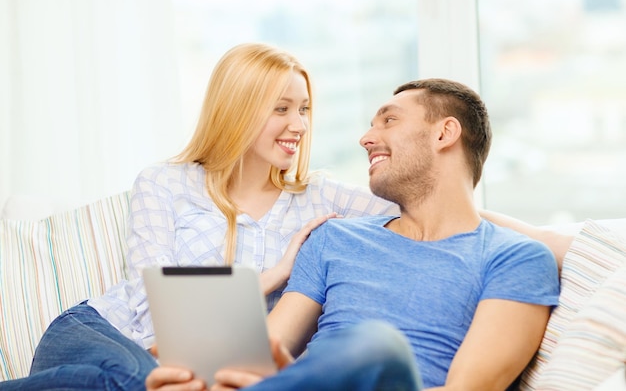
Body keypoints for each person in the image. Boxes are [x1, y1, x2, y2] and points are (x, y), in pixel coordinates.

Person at [0, 43, 397, 390]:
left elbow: (416, 210)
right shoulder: (165, 183)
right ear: (238, 111)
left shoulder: (321, 197)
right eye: (282, 109)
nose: (300, 125)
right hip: (100, 333)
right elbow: (151, 311)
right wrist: (270, 279)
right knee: (153, 384)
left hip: (193, 374)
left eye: (304, 109)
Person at [146, 78, 561, 391]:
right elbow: (266, 350)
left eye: (389, 120)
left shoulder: (516, 258)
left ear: (444, 134)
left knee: (376, 344)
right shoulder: (335, 239)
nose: (366, 138)